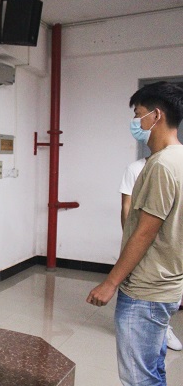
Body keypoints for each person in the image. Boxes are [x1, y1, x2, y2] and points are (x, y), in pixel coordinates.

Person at [87, 81, 183, 385]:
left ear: (156, 115)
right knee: (153, 369)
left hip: (146, 290)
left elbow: (144, 233)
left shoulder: (161, 165)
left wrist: (110, 283)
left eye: (138, 114)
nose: (135, 122)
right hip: (167, 284)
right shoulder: (179, 159)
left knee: (139, 378)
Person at [119, 157, 183, 352]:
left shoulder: (168, 165)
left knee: (163, 296)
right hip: (143, 245)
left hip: (169, 251)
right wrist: (130, 240)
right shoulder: (135, 168)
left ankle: (162, 329)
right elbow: (126, 206)